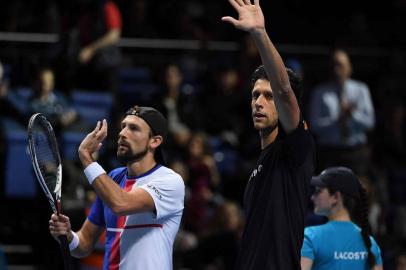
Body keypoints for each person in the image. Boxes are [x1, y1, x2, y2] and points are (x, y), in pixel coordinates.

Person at [222, 1, 316, 269]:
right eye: (255, 96)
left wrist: (259, 34)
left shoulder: (297, 149)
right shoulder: (259, 166)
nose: (258, 103)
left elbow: (285, 89)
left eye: (268, 96)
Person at [49, 105, 185, 270]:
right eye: (123, 127)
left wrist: (86, 157)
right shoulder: (112, 178)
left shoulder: (170, 181)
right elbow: (84, 244)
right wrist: (68, 236)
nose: (122, 133)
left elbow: (121, 204)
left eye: (133, 128)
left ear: (155, 141)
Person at [301, 167, 383, 270]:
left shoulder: (310, 237)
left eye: (318, 191)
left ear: (336, 197)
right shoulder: (371, 244)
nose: (312, 197)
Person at [308, 49, 375, 174]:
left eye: (341, 65)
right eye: (334, 65)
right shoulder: (319, 92)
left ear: (349, 67)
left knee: (355, 191)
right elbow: (314, 125)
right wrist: (337, 121)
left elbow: (370, 123)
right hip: (329, 152)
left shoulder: (361, 90)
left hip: (356, 152)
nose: (337, 70)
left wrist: (353, 115)